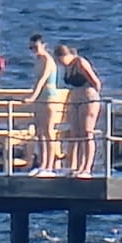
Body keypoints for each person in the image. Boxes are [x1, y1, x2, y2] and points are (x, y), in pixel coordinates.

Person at [54, 43, 102, 178]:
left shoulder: (80, 63)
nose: (60, 63)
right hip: (75, 96)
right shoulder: (67, 67)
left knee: (87, 133)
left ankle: (87, 167)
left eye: (60, 60)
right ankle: (77, 166)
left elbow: (96, 82)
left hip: (87, 95)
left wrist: (91, 96)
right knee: (76, 133)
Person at [24, 34, 62, 176]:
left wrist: (32, 97)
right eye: (31, 48)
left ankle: (49, 166)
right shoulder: (38, 61)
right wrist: (34, 97)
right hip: (40, 98)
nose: (34, 50)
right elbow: (36, 81)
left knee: (48, 131)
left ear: (44, 45)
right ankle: (42, 163)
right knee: (39, 131)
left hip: (49, 97)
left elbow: (42, 79)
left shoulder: (47, 60)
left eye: (35, 47)